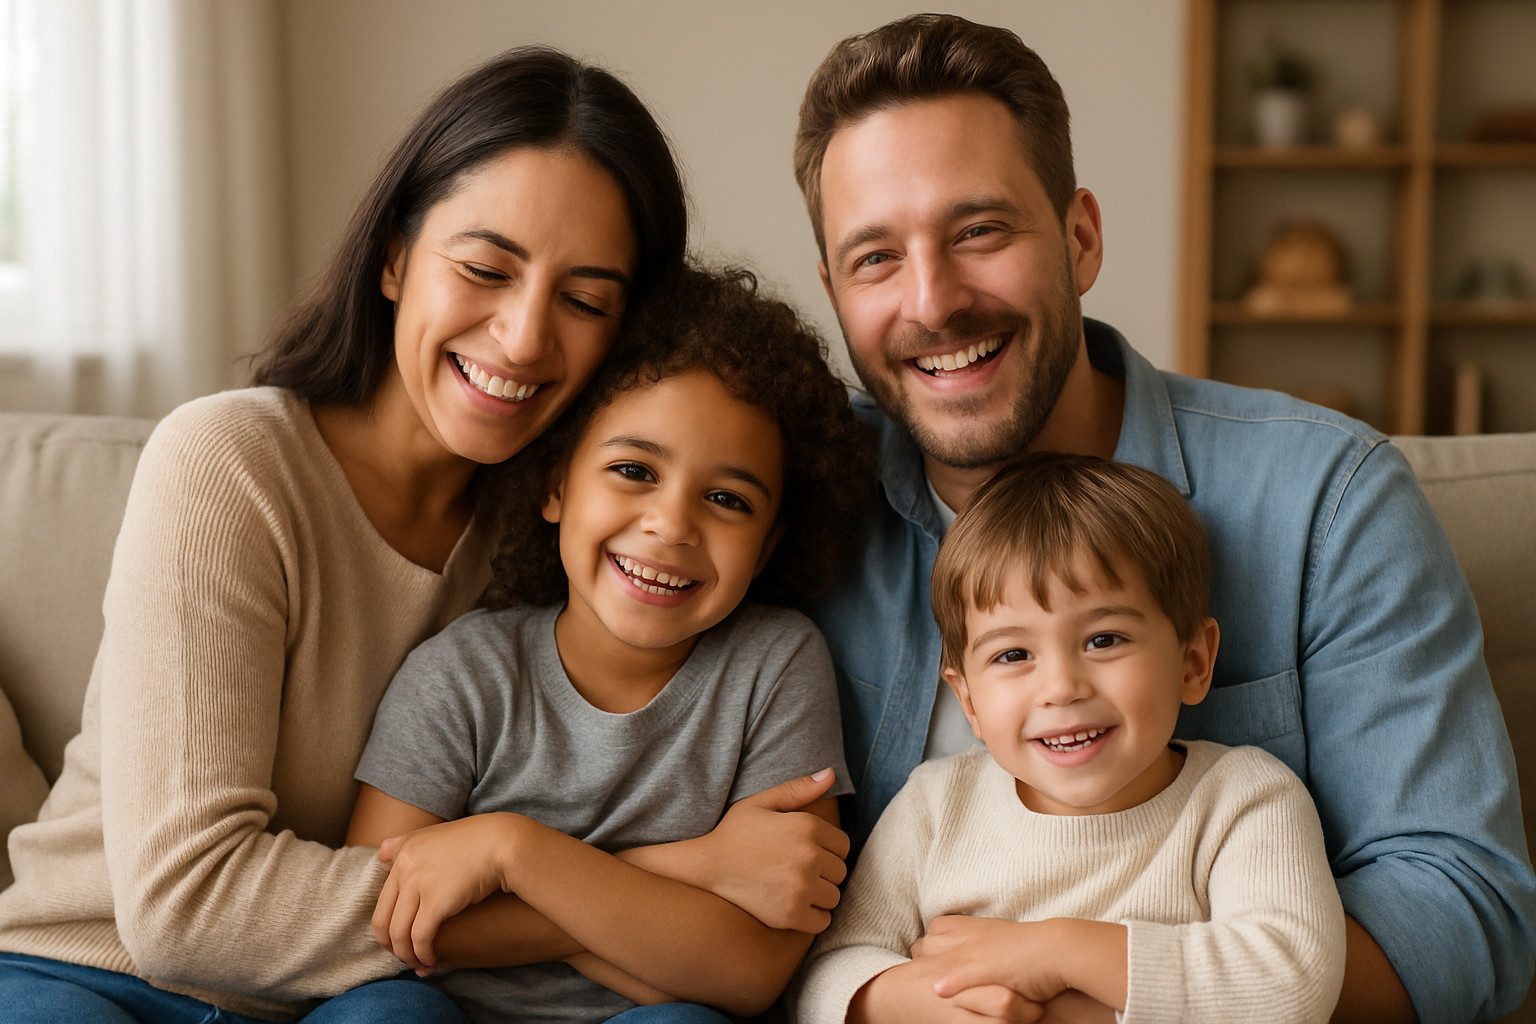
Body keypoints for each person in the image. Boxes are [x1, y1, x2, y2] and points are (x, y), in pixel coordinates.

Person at [790, 13, 1535, 1022]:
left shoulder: (1328, 500)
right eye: (876, 257)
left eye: (979, 231)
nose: (933, 301)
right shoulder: (788, 494)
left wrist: (1070, 993)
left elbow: (1463, 916)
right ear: (834, 289)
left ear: (1080, 238)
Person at [0, 46, 687, 1023]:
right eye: (485, 269)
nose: (526, 336)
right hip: (88, 971)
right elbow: (184, 907)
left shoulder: (575, 537)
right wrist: (644, 889)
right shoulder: (230, 462)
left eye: (584, 301)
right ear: (394, 258)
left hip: (350, 998)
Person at [344, 265, 874, 1024]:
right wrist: (690, 873)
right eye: (633, 470)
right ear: (556, 485)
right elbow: (382, 922)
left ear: (766, 546)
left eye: (727, 499)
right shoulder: (460, 676)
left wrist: (513, 855)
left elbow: (751, 971)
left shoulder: (776, 665)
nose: (672, 525)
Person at [794, 453, 1345, 1024]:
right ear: (969, 700)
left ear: (1193, 663)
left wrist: (1052, 953)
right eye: (1013, 654)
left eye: (1104, 640)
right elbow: (824, 975)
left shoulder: (1242, 799)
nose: (1061, 688)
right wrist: (921, 1002)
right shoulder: (935, 805)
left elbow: (1293, 984)